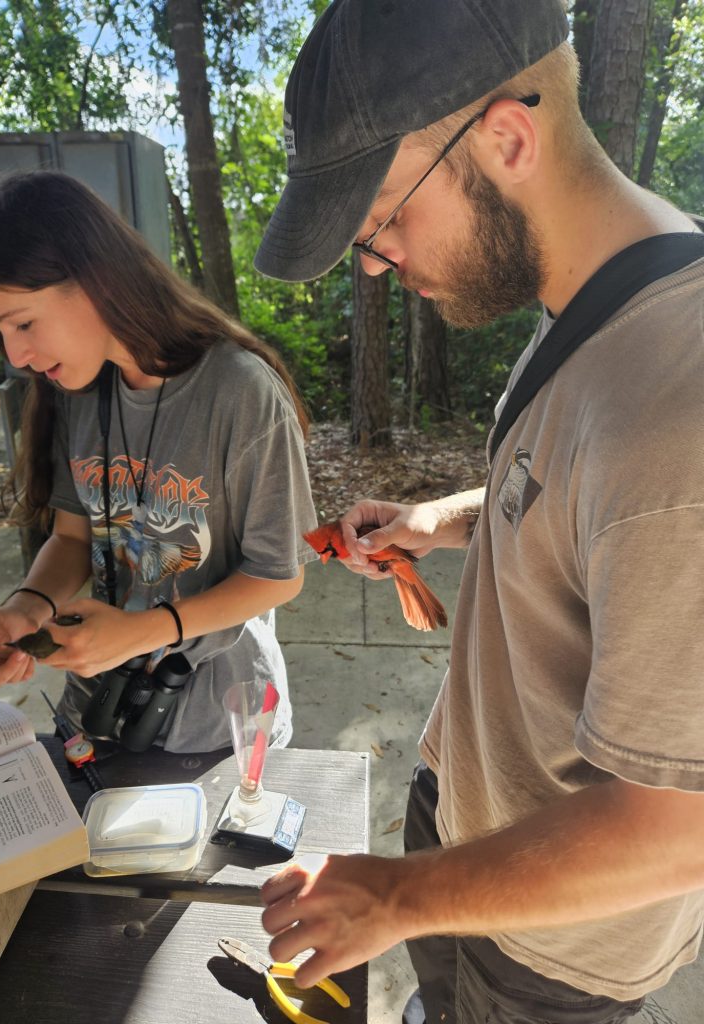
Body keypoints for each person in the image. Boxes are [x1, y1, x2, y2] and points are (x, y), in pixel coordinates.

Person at [253, 1, 704, 1022]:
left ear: (506, 137)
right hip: (473, 819)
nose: (373, 264)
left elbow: (677, 828)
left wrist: (397, 899)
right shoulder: (599, 292)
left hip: (555, 944)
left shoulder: (680, 416)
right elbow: (569, 490)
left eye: (382, 223)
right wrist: (438, 519)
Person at [0, 169, 317, 753]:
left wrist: (145, 631)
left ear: (96, 281)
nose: (15, 354)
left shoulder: (239, 391)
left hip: (219, 719)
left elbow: (278, 574)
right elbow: (71, 537)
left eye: (23, 322)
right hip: (96, 705)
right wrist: (26, 608)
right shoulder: (79, 390)